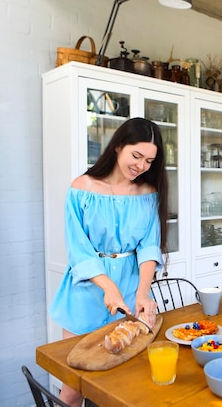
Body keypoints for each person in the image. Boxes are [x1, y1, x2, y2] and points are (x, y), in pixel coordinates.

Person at [49, 117, 169, 407]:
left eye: (149, 161)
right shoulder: (82, 188)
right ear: (118, 147)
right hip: (87, 295)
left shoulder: (148, 194)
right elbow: (79, 250)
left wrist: (142, 292)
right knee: (76, 384)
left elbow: (149, 247)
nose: (141, 166)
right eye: (136, 155)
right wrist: (107, 287)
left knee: (125, 382)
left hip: (131, 292)